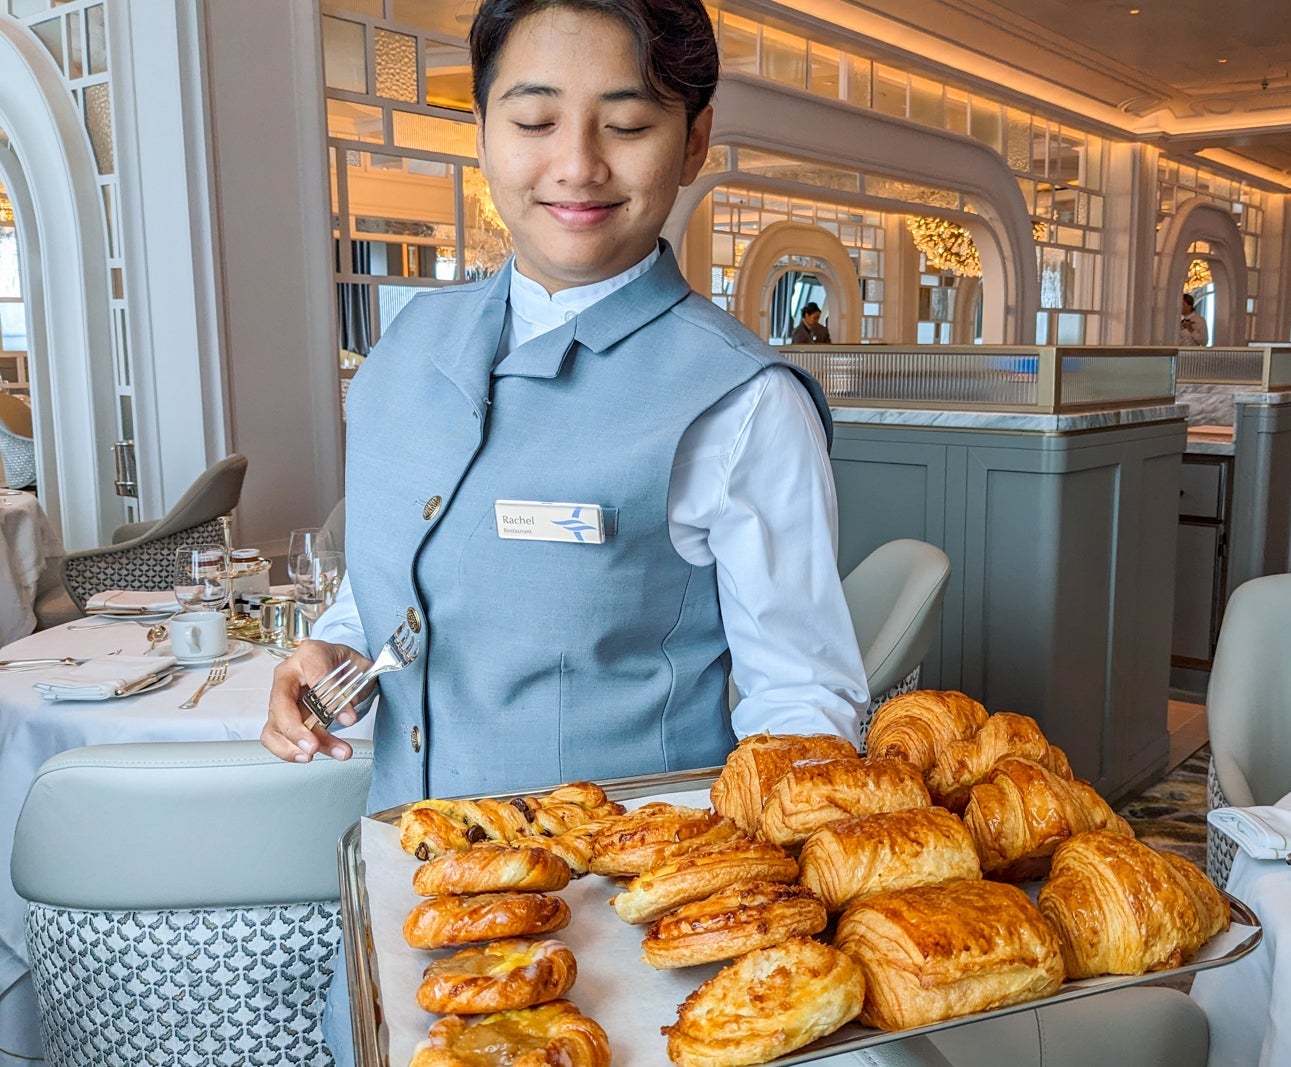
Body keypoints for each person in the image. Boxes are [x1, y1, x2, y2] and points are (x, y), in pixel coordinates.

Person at [258, 1, 872, 1060]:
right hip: (414, 904)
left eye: (625, 123)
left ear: (694, 138)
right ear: (484, 128)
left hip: (616, 947)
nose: (575, 165)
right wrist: (328, 648)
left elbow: (802, 701)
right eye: (534, 120)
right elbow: (395, 583)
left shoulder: (741, 400)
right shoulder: (406, 347)